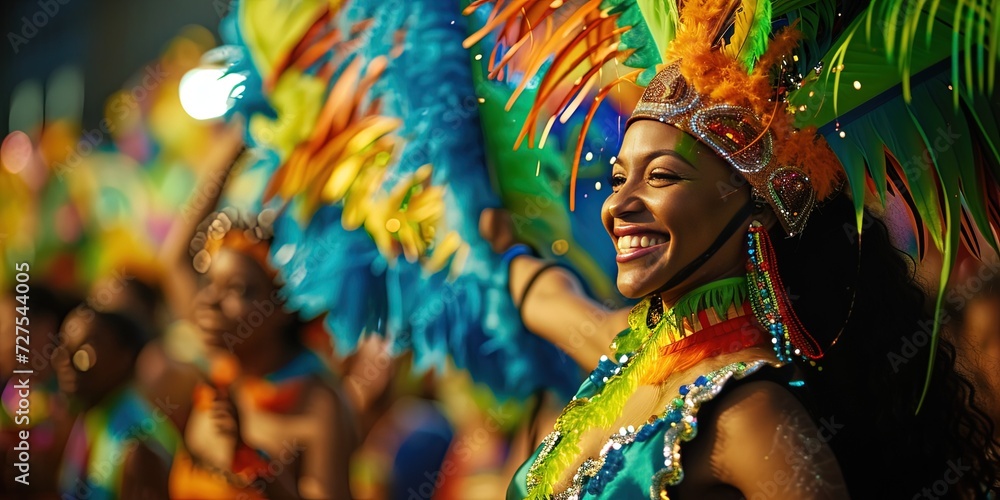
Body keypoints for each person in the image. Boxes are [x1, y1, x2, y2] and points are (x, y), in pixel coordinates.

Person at [460, 0, 1000, 497]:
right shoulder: (629, 360)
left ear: (757, 206)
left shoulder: (751, 415)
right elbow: (551, 298)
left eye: (661, 177)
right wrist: (492, 240)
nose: (618, 205)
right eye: (620, 177)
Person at [52, 303, 180, 500]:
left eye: (85, 352)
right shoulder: (91, 415)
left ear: (125, 356)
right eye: (63, 350)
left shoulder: (138, 448)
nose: (67, 363)